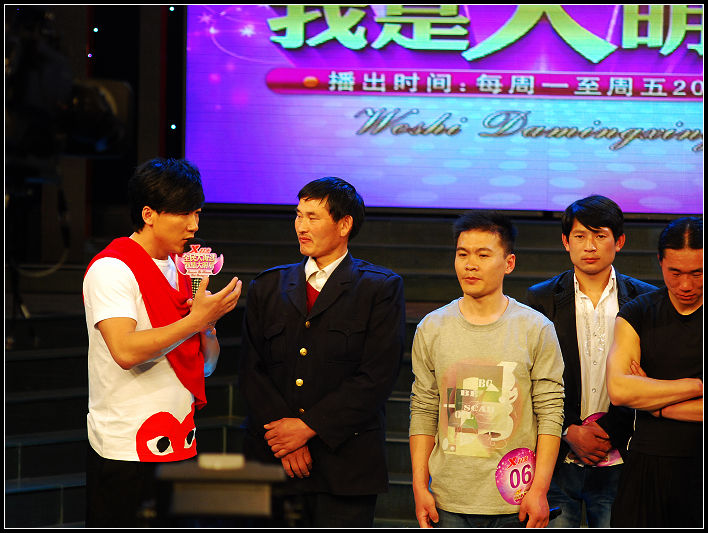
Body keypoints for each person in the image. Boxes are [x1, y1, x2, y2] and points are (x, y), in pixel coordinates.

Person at [82, 158, 242, 527]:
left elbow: (206, 365)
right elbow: (125, 351)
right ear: (149, 214)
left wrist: (207, 326)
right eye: (183, 213)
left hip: (181, 441)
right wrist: (194, 321)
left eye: (197, 212)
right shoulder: (112, 268)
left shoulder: (186, 268)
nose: (194, 225)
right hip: (125, 448)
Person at [239, 177, 406, 527]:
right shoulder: (268, 286)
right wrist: (287, 439)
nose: (301, 226)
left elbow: (376, 377)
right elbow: (252, 370)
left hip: (345, 467)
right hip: (274, 462)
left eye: (312, 217)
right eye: (298, 215)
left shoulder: (379, 288)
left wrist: (307, 428)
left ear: (344, 225)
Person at [409, 211, 565, 528]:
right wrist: (419, 485)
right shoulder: (432, 327)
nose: (470, 264)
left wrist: (539, 489)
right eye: (462, 254)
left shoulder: (535, 328)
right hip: (447, 499)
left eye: (483, 255)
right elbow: (423, 408)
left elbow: (550, 411)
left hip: (514, 498)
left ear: (509, 263)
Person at [525, 195, 656, 527]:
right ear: (565, 242)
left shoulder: (645, 299)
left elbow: (647, 377)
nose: (590, 246)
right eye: (580, 236)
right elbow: (532, 377)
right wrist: (569, 429)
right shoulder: (541, 298)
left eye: (600, 235)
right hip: (557, 457)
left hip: (621, 454)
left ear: (619, 241)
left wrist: (610, 430)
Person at [606, 216, 702, 527]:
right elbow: (620, 390)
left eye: (697, 273)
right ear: (660, 262)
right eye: (675, 272)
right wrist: (696, 386)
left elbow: (634, 392)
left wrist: (657, 405)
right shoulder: (638, 312)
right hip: (647, 463)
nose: (685, 285)